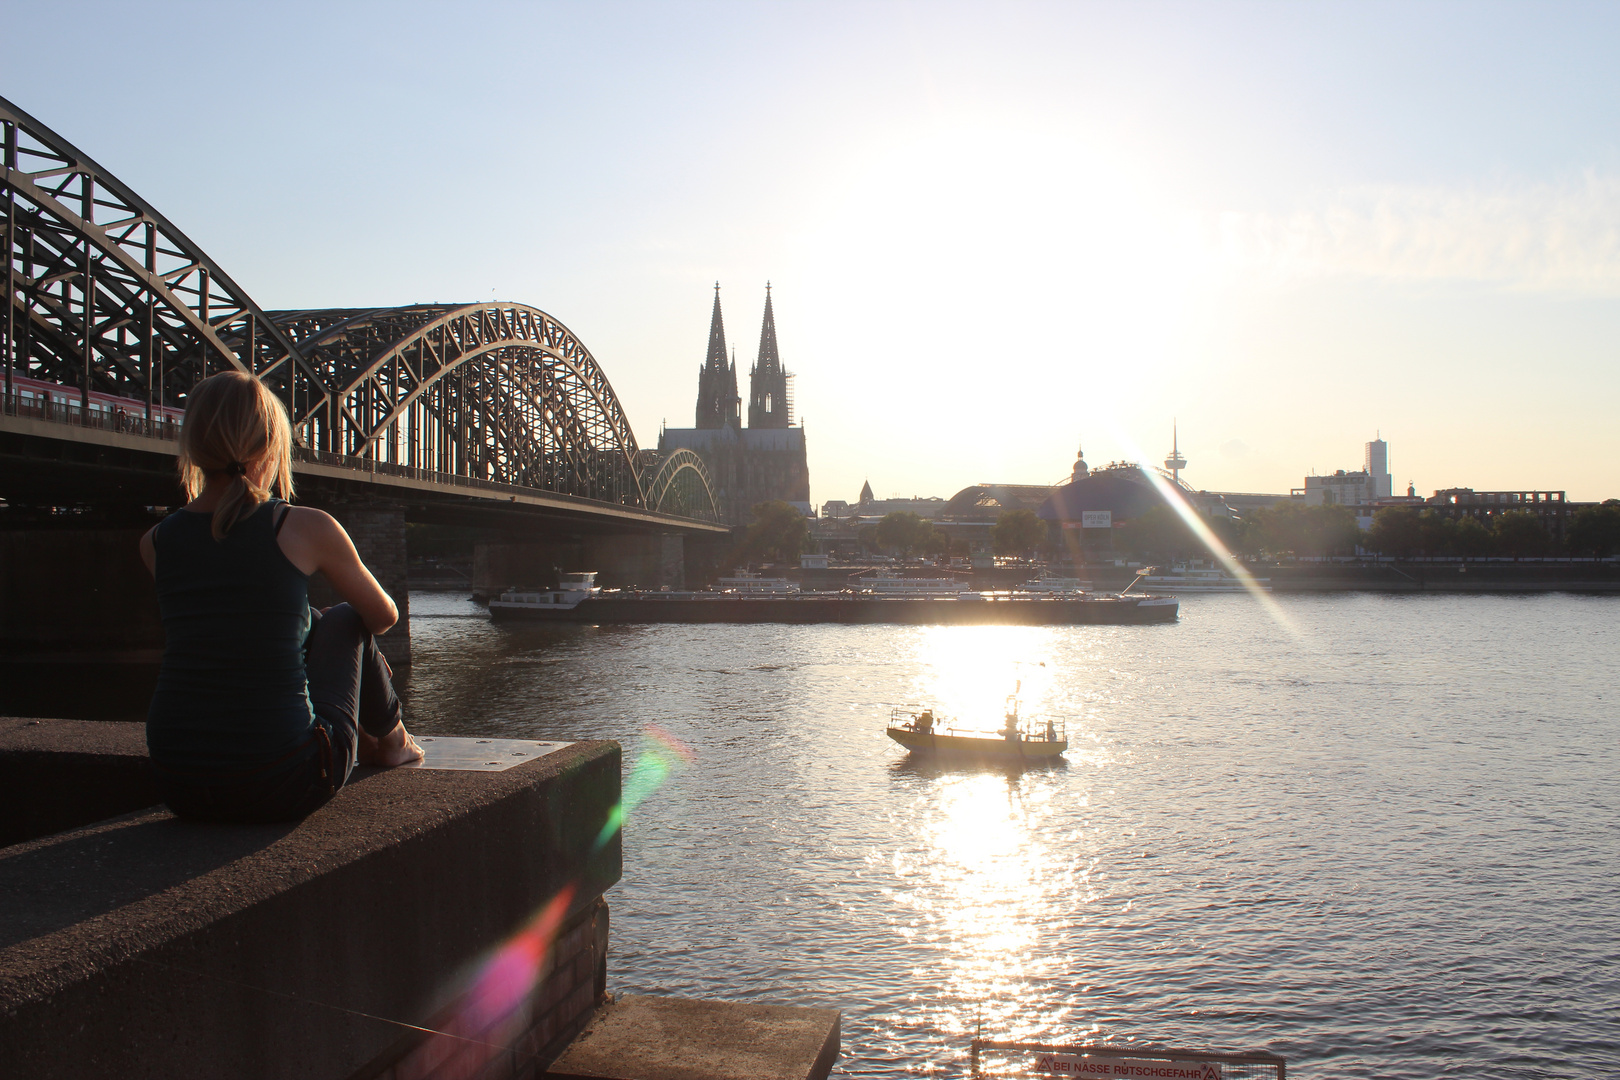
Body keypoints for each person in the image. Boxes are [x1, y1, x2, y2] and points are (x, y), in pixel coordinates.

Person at [140, 370, 423, 823]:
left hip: (178, 781)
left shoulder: (156, 541)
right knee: (346, 617)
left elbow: (233, 623)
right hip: (284, 779)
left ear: (192, 447)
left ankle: (377, 737)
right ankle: (393, 742)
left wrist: (309, 620)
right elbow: (383, 616)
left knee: (307, 615)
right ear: (272, 446)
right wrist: (330, 628)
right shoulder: (303, 525)